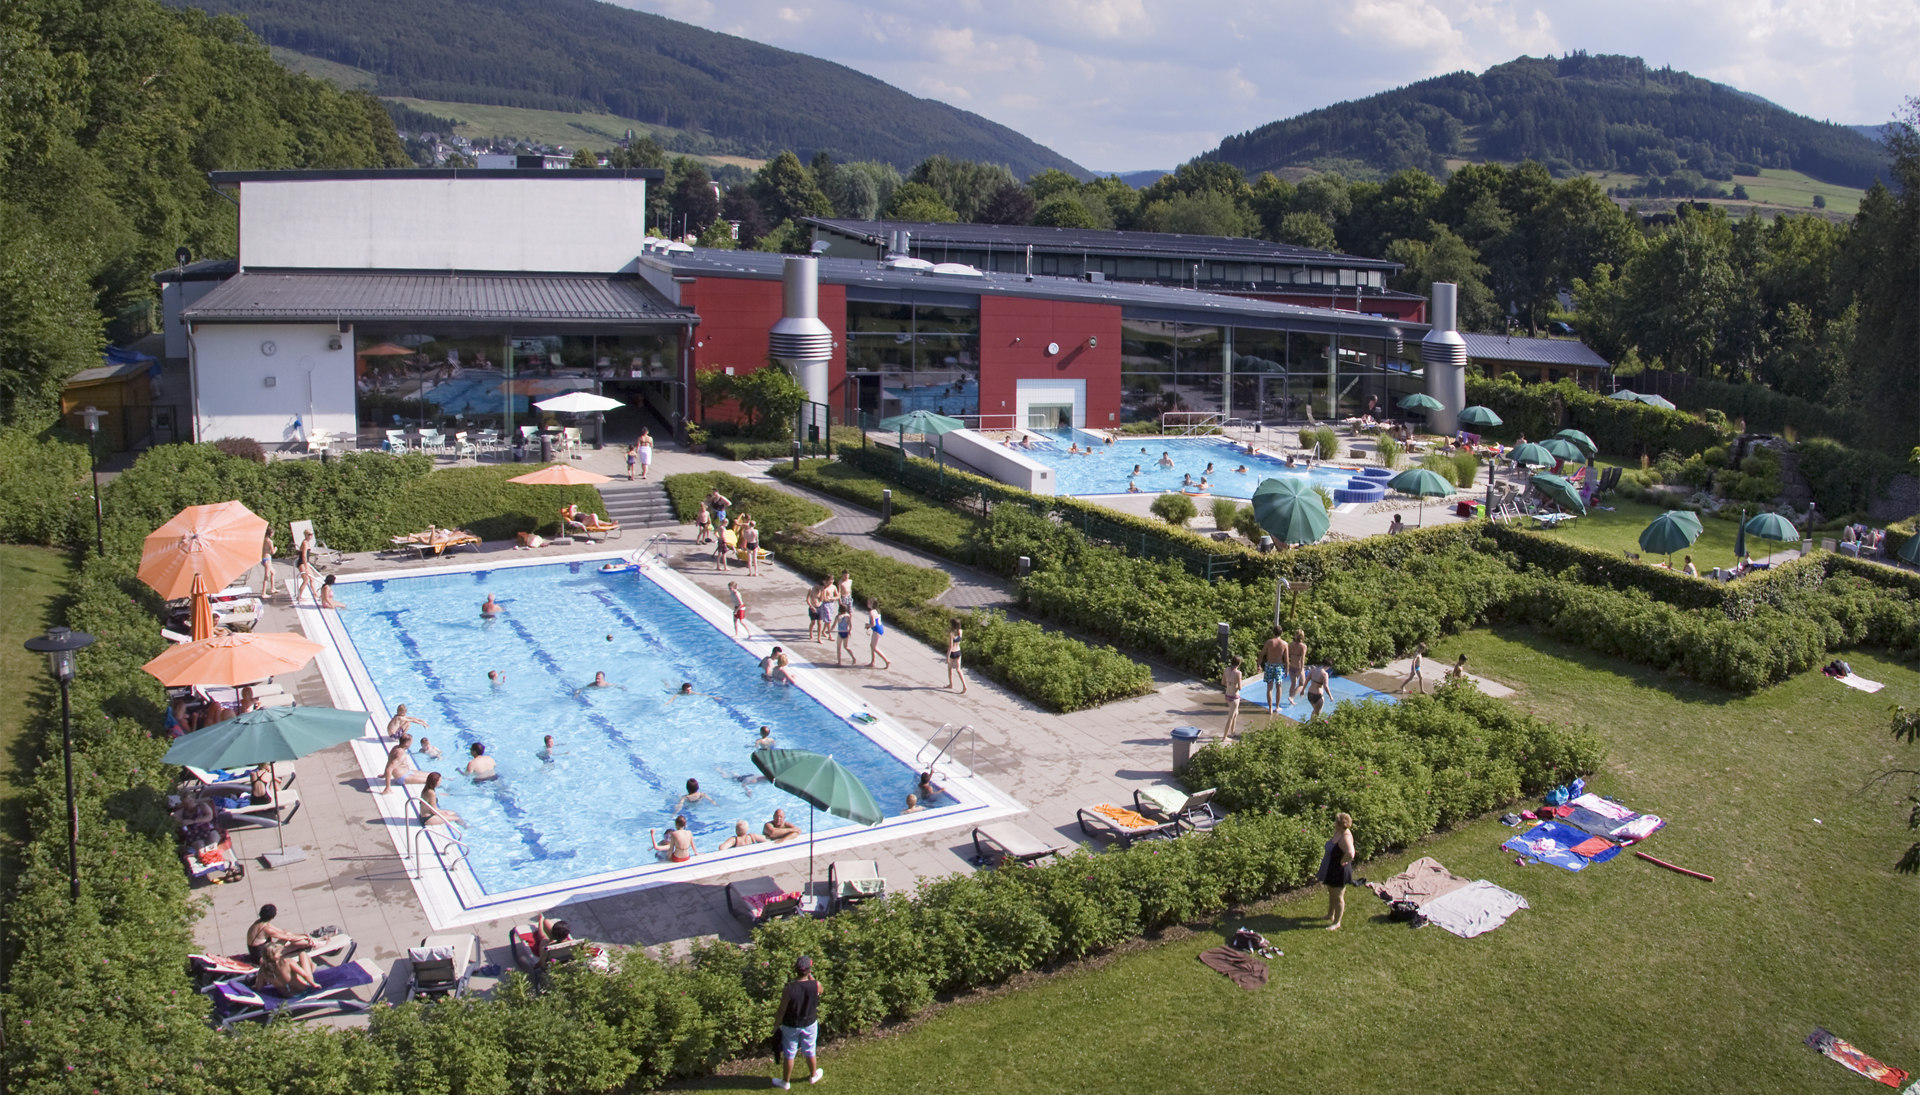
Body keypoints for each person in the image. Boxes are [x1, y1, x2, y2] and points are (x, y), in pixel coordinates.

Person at [773, 956, 824, 1089]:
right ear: (809, 970)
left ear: (795, 970)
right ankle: (813, 1076)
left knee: (789, 1053)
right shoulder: (815, 985)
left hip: (791, 1024)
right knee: (810, 1050)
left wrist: (776, 1024)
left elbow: (782, 1009)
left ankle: (785, 1082)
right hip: (809, 1023)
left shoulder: (789, 988)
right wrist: (811, 976)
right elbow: (821, 990)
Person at [248, 904, 319, 993]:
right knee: (303, 955)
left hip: (286, 994)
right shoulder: (287, 962)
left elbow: (258, 988)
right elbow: (304, 974)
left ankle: (310, 943)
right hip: (302, 989)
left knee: (288, 934)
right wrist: (313, 984)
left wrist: (299, 935)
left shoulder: (260, 923)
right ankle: (312, 944)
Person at [1321, 812, 1356, 931]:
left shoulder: (1345, 836)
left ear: (1341, 825)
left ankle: (1337, 922)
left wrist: (1342, 862)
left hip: (1339, 870)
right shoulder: (1338, 832)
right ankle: (1330, 915)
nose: (1334, 823)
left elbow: (1351, 853)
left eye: (1336, 822)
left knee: (1338, 897)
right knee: (1332, 893)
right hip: (1332, 867)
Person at [1258, 626, 1288, 713]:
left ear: (1273, 632)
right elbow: (1286, 659)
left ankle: (1270, 708)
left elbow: (1261, 654)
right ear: (1281, 633)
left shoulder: (1269, 642)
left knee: (1269, 688)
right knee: (1279, 687)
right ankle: (1277, 707)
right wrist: (1287, 669)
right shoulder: (1284, 644)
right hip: (1279, 666)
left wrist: (1259, 665)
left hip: (1269, 665)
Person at [294, 532, 321, 604]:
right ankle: (299, 596)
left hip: (305, 563)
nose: (311, 536)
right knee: (306, 580)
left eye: (311, 534)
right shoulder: (305, 543)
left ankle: (315, 594)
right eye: (309, 534)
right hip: (302, 563)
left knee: (312, 579)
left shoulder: (307, 542)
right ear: (305, 535)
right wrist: (306, 566)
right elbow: (303, 556)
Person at [1221, 655, 1244, 740]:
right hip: (1234, 697)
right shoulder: (1238, 673)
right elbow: (1240, 687)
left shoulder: (1226, 670)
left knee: (1236, 713)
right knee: (1230, 717)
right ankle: (1224, 737)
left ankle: (1233, 732)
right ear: (1239, 663)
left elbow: (1223, 682)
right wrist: (1235, 685)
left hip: (1227, 695)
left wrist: (1229, 683)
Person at [865, 598, 891, 669]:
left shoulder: (872, 612)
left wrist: (868, 625)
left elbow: (873, 624)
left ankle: (886, 660)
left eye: (869, 603)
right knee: (872, 645)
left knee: (875, 647)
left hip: (877, 630)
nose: (867, 604)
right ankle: (873, 662)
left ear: (872, 604)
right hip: (879, 629)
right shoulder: (876, 611)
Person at [1286, 630, 1309, 705]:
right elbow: (1302, 658)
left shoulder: (1291, 644)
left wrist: (1287, 665)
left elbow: (1288, 655)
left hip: (1292, 665)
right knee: (1302, 684)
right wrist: (1302, 669)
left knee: (1293, 684)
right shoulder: (1303, 646)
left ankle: (1290, 698)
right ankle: (1291, 697)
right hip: (1299, 667)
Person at [946, 619, 968, 693]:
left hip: (952, 653)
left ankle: (951, 684)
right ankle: (964, 686)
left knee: (950, 669)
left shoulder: (952, 634)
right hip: (958, 652)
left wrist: (947, 657)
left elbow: (950, 647)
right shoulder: (960, 632)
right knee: (958, 669)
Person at [834, 599, 854, 666]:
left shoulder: (838, 617)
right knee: (846, 646)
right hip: (846, 632)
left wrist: (829, 631)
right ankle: (853, 657)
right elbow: (850, 624)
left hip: (840, 632)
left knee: (838, 647)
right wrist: (850, 630)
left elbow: (834, 625)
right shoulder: (848, 616)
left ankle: (839, 662)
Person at [259, 529, 277, 598]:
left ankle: (273, 588)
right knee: (266, 576)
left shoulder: (263, 539)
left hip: (263, 558)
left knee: (273, 572)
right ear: (271, 533)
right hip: (267, 559)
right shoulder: (270, 541)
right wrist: (275, 549)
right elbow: (272, 552)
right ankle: (263, 593)